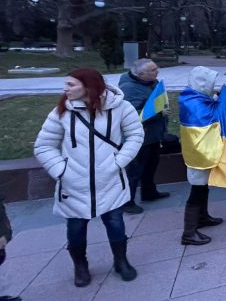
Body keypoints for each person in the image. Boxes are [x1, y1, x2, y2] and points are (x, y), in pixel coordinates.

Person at [34, 68, 143, 287]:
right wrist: (61, 170)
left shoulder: (120, 107)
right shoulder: (61, 111)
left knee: (115, 224)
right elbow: (44, 145)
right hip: (74, 184)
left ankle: (121, 261)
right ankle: (80, 266)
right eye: (66, 84)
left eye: (71, 85)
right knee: (75, 228)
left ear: (89, 86)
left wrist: (118, 161)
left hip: (110, 180)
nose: (65, 89)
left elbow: (135, 134)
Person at [118, 59, 170, 214]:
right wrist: (159, 113)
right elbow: (131, 115)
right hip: (139, 138)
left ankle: (149, 192)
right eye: (153, 70)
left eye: (156, 67)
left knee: (150, 166)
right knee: (135, 171)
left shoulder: (150, 82)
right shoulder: (129, 89)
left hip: (153, 134)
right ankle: (127, 202)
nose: (157, 71)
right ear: (140, 74)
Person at [180, 67, 224, 246]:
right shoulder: (193, 103)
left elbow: (209, 105)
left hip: (201, 152)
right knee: (197, 191)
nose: (213, 87)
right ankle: (188, 232)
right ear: (202, 83)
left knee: (203, 188)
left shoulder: (193, 97)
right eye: (211, 83)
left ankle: (203, 217)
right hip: (199, 155)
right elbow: (212, 116)